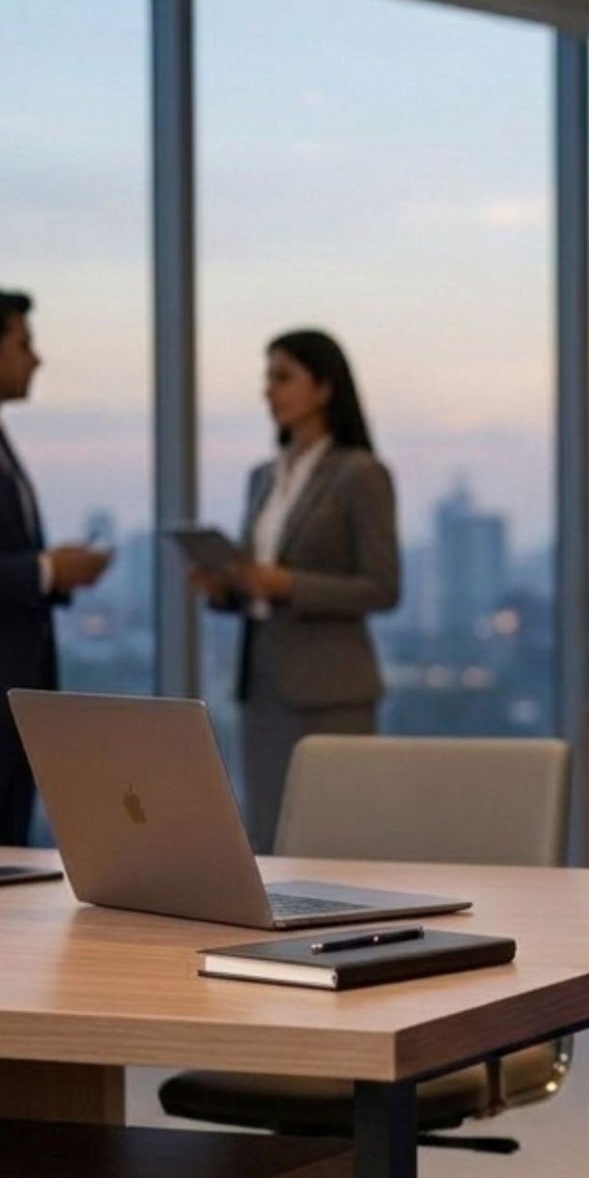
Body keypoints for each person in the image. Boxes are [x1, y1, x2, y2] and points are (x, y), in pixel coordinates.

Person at [197, 330, 399, 851]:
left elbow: (382, 587)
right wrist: (227, 587)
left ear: (325, 387)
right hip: (262, 682)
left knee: (336, 841)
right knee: (269, 837)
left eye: (283, 377)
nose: (269, 391)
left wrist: (286, 583)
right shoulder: (263, 477)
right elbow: (257, 578)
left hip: (331, 690)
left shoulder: (361, 474)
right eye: (267, 378)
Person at [0, 286, 114, 844]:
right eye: (23, 343)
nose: (37, 358)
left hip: (8, 700)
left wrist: (54, 572)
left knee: (2, 861)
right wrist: (45, 571)